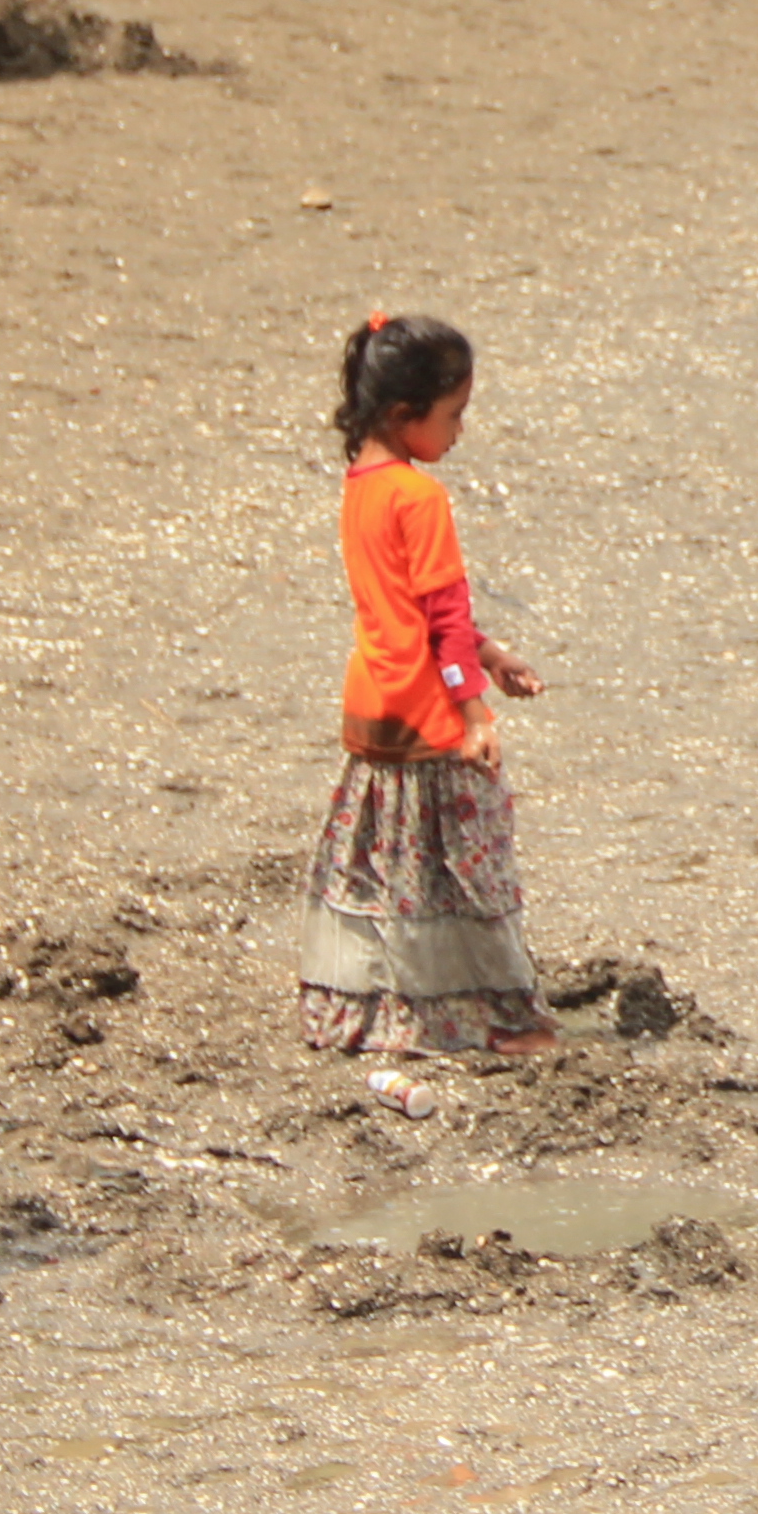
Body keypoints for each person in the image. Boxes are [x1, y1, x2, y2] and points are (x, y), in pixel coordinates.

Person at [301, 315, 552, 1056]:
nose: (460, 433)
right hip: (427, 715)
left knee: (385, 872)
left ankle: (375, 1011)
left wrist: (490, 652)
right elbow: (442, 624)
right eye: (455, 416)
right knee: (466, 872)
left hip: (373, 704)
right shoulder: (421, 498)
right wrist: (472, 708)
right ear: (406, 415)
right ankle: (499, 1019)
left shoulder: (362, 488)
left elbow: (413, 611)